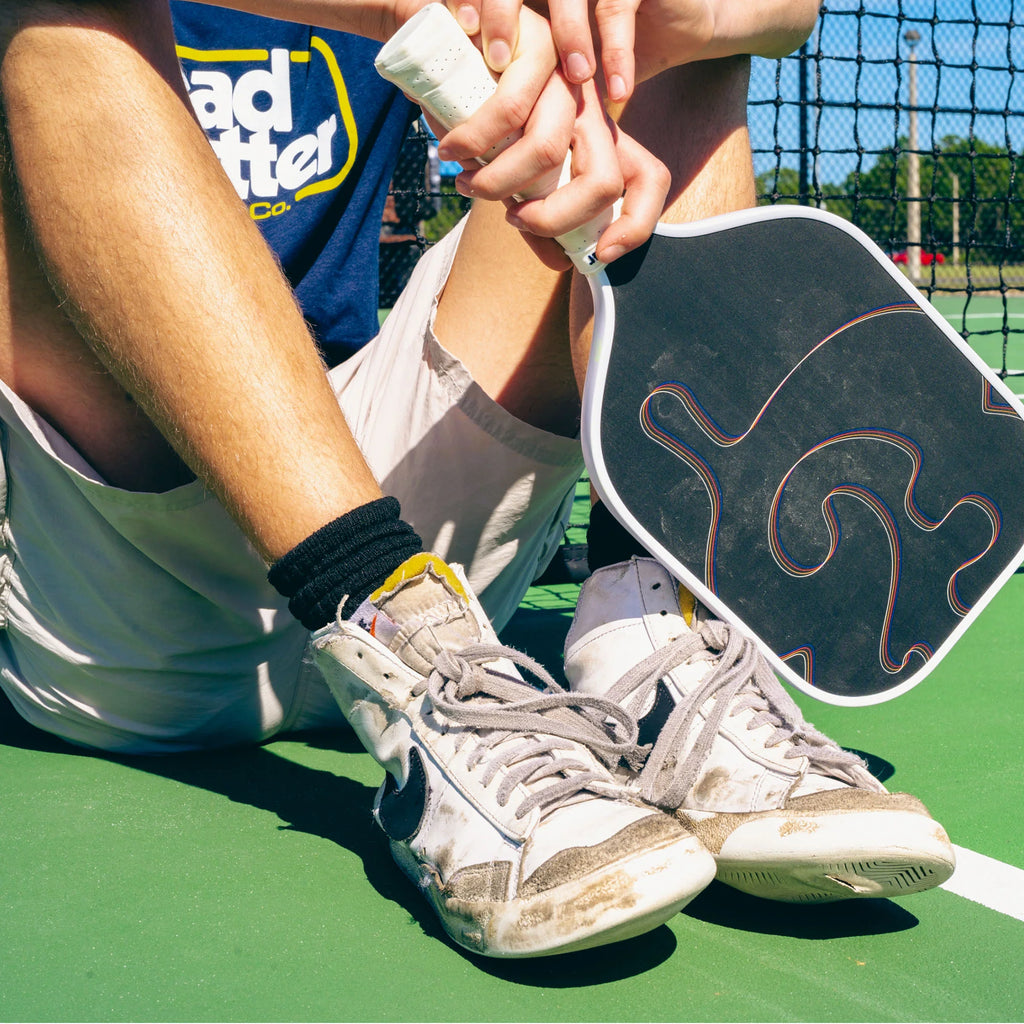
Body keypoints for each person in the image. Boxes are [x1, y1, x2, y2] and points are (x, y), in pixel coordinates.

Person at [0, 0, 954, 959]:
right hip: (115, 555)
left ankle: (653, 635)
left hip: (407, 512)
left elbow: (783, 12)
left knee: (646, 30)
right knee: (60, 19)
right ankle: (384, 622)